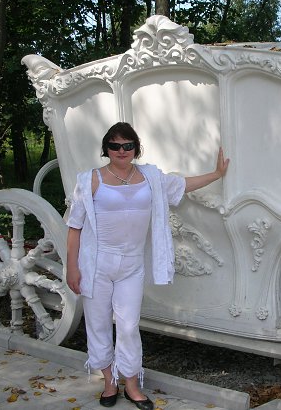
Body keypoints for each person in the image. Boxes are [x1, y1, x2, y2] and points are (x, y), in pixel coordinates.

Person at [66, 122, 229, 410]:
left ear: (136, 148)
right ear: (106, 149)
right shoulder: (90, 180)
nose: (121, 151)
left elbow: (183, 185)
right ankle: (109, 381)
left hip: (132, 265)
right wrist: (72, 268)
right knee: (98, 323)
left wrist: (216, 174)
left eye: (127, 145)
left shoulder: (151, 178)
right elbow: (75, 226)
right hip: (96, 264)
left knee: (128, 326)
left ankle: (131, 384)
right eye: (115, 146)